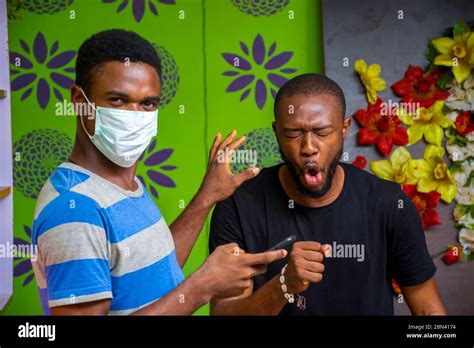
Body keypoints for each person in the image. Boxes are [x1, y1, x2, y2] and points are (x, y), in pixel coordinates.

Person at [31, 29, 287, 316]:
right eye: (118, 100)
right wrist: (202, 286)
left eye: (148, 103)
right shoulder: (74, 209)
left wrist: (206, 196)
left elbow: (154, 272)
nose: (134, 115)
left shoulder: (124, 184)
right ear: (79, 101)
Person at [209, 73, 447, 315]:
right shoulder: (238, 206)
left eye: (322, 133)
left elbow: (429, 311)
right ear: (277, 132)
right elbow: (224, 312)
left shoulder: (388, 204)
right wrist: (283, 286)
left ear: (344, 129)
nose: (309, 147)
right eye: (293, 134)